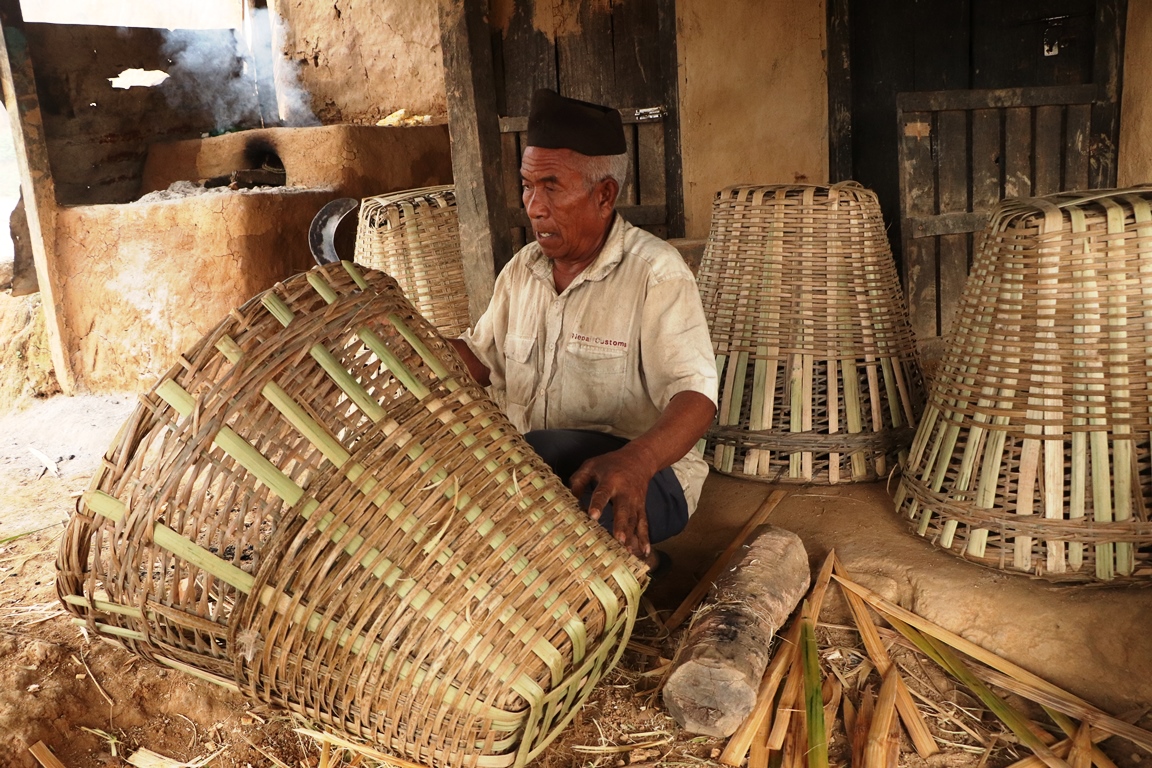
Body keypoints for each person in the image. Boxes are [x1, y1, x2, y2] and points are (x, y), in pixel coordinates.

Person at [449, 88, 717, 571]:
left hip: (644, 469)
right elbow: (478, 359)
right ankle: (628, 567)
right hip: (536, 464)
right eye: (528, 186)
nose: (534, 206)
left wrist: (638, 461)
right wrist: (403, 349)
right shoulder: (520, 271)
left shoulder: (657, 273)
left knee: (551, 503)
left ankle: (637, 566)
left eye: (552, 186)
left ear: (604, 194)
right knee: (490, 487)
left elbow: (695, 399)